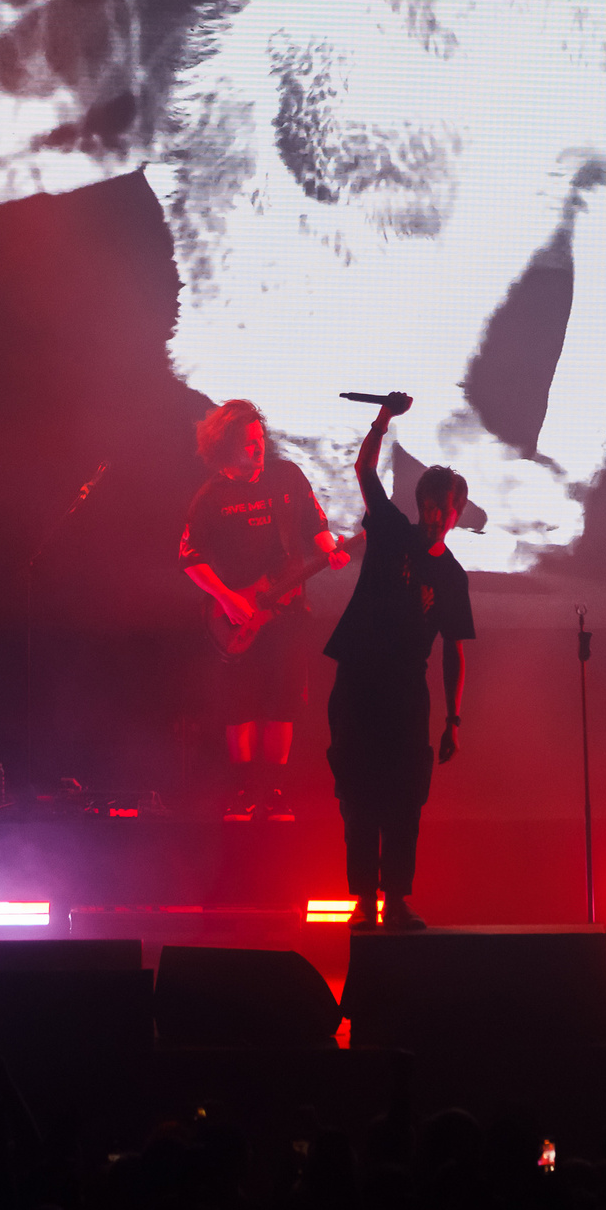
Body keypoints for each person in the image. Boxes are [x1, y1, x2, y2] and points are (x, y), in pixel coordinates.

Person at [321, 393, 474, 931]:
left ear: (456, 514)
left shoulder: (452, 576)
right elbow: (364, 469)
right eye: (429, 506)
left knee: (405, 801)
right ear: (420, 503)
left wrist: (454, 719)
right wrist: (383, 420)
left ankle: (396, 898)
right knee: (359, 795)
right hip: (360, 685)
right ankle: (363, 900)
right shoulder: (388, 531)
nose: (435, 517)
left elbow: (454, 647)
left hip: (409, 696)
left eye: (444, 509)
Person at [179, 399, 349, 819]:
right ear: (225, 447)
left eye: (260, 440)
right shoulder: (210, 498)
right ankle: (243, 792)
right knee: (240, 709)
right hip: (237, 619)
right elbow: (189, 558)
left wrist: (332, 551)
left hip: (288, 615)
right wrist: (226, 597)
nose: (259, 448)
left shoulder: (287, 477)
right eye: (249, 443)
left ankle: (273, 793)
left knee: (282, 705)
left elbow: (316, 526)